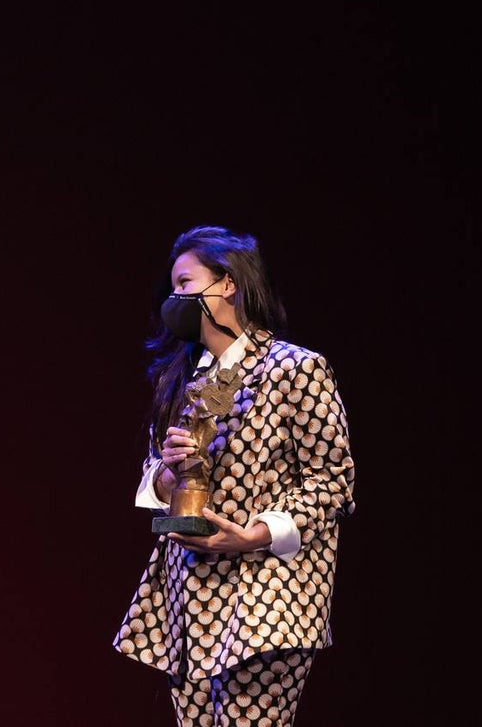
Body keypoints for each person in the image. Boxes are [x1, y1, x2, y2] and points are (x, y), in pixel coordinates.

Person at [113, 225, 355, 726]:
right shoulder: (183, 377)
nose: (175, 298)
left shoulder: (295, 369)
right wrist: (167, 475)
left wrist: (256, 534)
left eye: (186, 283)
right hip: (190, 599)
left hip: (266, 592)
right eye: (173, 287)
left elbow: (333, 478)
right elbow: (154, 477)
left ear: (226, 283)